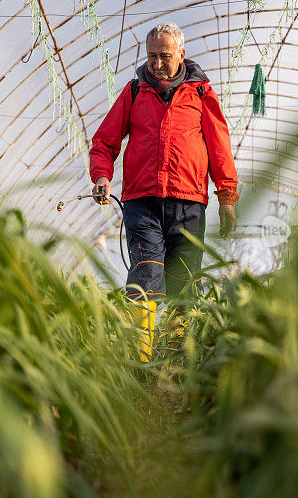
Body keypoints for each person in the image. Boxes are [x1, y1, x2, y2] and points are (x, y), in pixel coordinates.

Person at [88, 22, 238, 360]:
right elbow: (104, 141)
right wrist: (102, 176)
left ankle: (175, 358)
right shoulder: (134, 92)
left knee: (184, 282)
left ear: (181, 55)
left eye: (165, 56)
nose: (157, 63)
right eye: (152, 56)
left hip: (189, 204)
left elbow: (220, 147)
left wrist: (227, 198)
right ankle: (140, 360)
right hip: (143, 203)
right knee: (146, 274)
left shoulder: (201, 93)